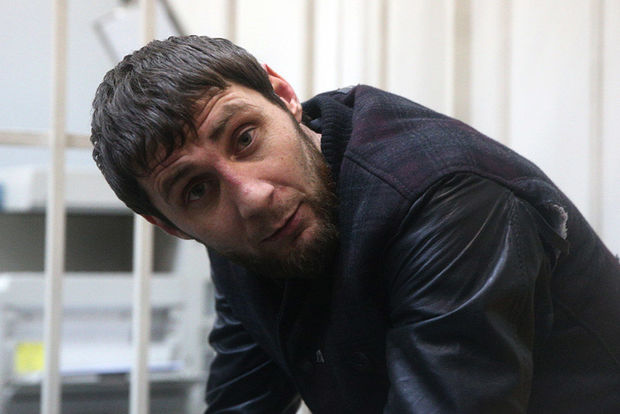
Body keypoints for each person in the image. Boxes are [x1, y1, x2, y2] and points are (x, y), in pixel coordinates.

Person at [91, 35, 620, 413]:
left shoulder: (445, 197)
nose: (252, 196)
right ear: (171, 224)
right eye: (196, 190)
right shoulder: (250, 228)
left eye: (245, 138)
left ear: (283, 95)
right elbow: (242, 398)